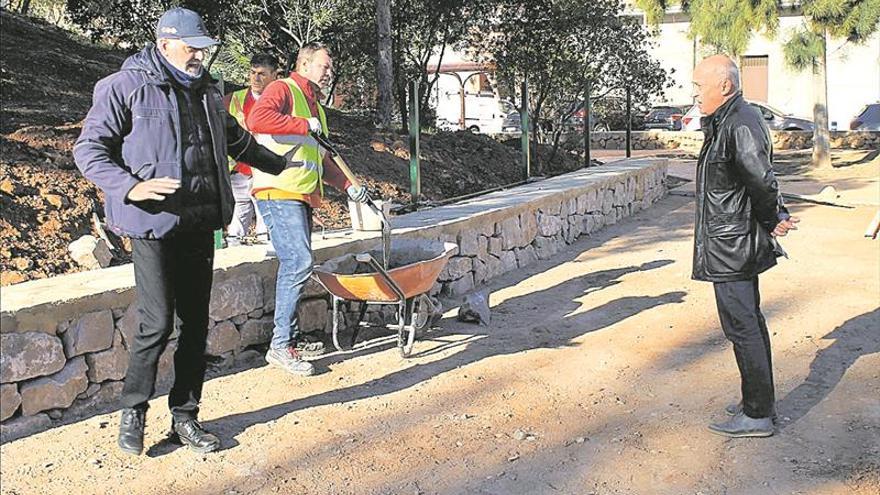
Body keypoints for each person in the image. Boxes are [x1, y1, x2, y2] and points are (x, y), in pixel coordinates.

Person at [73, 7, 286, 455]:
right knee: (156, 323)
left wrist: (280, 164)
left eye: (203, 49)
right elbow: (89, 150)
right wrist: (132, 187)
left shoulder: (208, 91)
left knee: (194, 327)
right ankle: (134, 410)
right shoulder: (125, 86)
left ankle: (185, 417)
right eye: (192, 49)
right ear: (165, 44)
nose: (199, 57)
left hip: (199, 221)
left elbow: (235, 138)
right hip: (151, 226)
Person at [690, 55, 800, 438]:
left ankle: (756, 415)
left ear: (725, 85)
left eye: (700, 85)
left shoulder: (739, 122)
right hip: (730, 241)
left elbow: (761, 179)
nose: (695, 93)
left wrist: (774, 218)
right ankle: (757, 403)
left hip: (733, 245)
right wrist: (774, 216)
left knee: (743, 327)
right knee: (746, 325)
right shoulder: (729, 120)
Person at [246, 42, 369, 376]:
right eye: (324, 66)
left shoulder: (317, 107)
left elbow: (322, 158)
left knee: (297, 263)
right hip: (278, 190)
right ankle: (280, 345)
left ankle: (289, 339)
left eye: (330, 67)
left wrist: (348, 186)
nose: (329, 72)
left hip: (299, 195)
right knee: (298, 262)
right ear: (303, 63)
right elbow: (257, 119)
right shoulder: (282, 89)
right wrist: (302, 124)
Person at [224, 53, 278, 247]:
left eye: (262, 74)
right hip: (239, 168)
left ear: (274, 75)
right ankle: (234, 247)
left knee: (265, 210)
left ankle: (265, 244)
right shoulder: (232, 100)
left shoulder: (281, 100)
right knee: (240, 210)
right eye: (253, 72)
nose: (255, 78)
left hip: (266, 166)